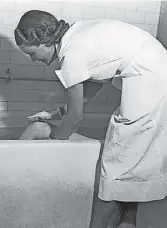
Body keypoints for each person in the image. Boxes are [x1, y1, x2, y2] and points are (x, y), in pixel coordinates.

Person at [14, 10, 167, 228]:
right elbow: (90, 89)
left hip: (149, 79)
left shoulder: (70, 53)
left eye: (31, 53)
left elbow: (76, 117)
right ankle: (127, 222)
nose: (33, 59)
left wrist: (54, 147)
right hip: (157, 70)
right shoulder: (76, 34)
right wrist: (56, 113)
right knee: (133, 160)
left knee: (116, 165)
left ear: (44, 41)